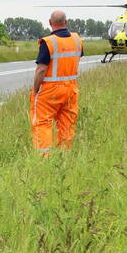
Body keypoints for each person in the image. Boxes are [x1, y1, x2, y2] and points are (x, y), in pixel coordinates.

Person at [30, 10, 83, 157]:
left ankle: (43, 158)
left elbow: (41, 69)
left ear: (50, 23)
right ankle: (63, 157)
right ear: (66, 22)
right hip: (71, 89)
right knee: (67, 123)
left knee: (43, 123)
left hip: (50, 91)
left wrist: (35, 90)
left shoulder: (48, 42)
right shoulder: (77, 40)